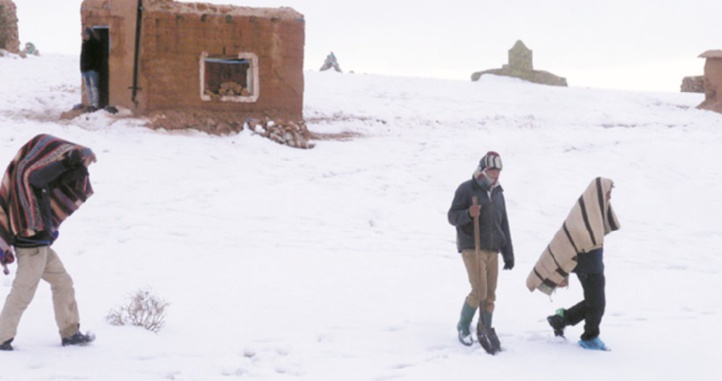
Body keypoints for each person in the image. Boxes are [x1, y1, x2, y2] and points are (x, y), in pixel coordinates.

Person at [0, 134, 97, 351]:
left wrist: (78, 165)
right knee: (23, 291)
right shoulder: (28, 172)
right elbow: (39, 177)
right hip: (30, 245)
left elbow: (57, 179)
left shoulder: (34, 175)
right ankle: (1, 337)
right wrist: (68, 160)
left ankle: (70, 332)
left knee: (63, 283)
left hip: (40, 244)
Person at [526, 177, 620, 351]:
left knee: (594, 302)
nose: (609, 197)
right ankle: (589, 338)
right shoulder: (584, 212)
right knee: (598, 303)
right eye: (607, 193)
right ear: (598, 193)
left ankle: (560, 320)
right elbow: (572, 240)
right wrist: (564, 273)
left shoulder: (595, 209)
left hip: (594, 265)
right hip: (587, 267)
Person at [447, 151, 514, 352]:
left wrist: (508, 252)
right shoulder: (467, 189)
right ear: (484, 170)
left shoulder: (498, 193)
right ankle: (462, 327)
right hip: (472, 247)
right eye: (493, 170)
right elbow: (452, 216)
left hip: (492, 249)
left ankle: (484, 327)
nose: (496, 175)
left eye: (498, 171)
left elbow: (503, 223)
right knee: (479, 291)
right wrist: (468, 213)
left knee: (490, 294)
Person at [80, 27, 101, 112]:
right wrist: (82, 68)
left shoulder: (94, 43)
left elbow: (97, 57)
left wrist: (96, 67)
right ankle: (90, 103)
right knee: (88, 87)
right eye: (83, 35)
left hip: (92, 69)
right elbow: (83, 57)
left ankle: (95, 105)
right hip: (85, 70)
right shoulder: (84, 44)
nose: (84, 36)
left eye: (85, 35)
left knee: (94, 87)